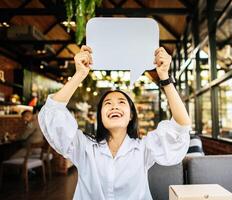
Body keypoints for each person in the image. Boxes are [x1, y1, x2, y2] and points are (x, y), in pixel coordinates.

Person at [38, 45, 191, 200]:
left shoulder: (144, 148)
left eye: (121, 102)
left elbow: (181, 126)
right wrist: (79, 75)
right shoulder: (83, 148)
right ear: (100, 116)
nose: (114, 106)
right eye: (108, 103)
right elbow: (53, 112)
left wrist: (164, 77)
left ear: (131, 115)